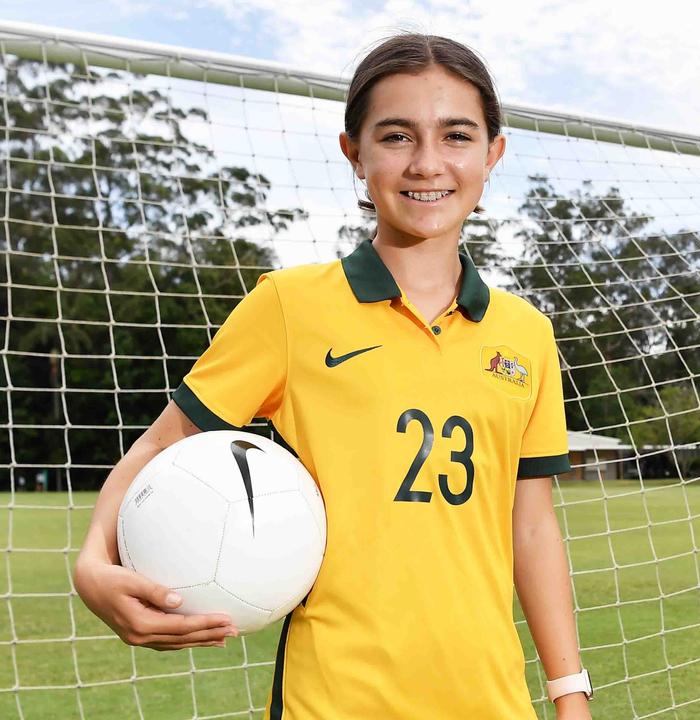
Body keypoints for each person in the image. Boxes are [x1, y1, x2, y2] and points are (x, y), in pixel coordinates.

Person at [73, 33, 593, 720]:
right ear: (356, 153)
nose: (428, 163)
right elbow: (163, 444)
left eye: (457, 135)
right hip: (334, 701)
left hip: (490, 701)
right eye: (397, 136)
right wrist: (90, 566)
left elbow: (531, 527)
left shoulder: (525, 333)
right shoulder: (290, 307)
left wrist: (569, 692)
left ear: (493, 153)